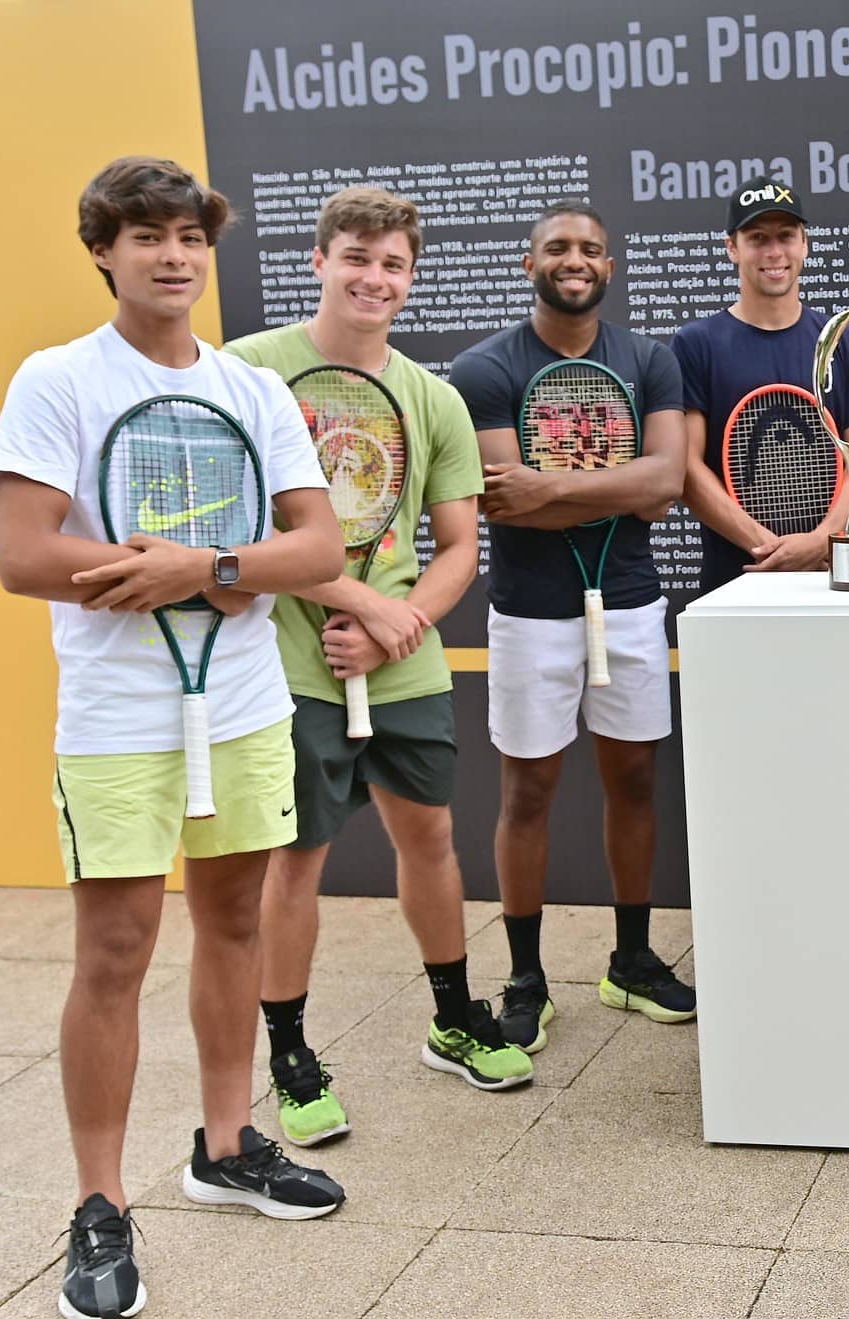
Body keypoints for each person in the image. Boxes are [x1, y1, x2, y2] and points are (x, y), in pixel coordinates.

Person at [0, 156, 347, 1319]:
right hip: (116, 721)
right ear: (103, 249)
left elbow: (318, 550)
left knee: (237, 919)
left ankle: (229, 1144)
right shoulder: (56, 379)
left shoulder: (246, 389)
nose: (173, 255)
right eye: (146, 236)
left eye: (189, 235)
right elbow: (22, 553)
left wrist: (209, 567)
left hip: (240, 707)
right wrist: (159, 576)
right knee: (116, 952)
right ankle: (99, 1204)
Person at [226, 186, 528, 1141]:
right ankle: (291, 1053)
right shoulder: (249, 373)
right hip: (289, 660)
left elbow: (455, 550)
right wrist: (355, 603)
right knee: (298, 859)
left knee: (431, 838)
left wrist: (398, 626)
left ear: (410, 277)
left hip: (403, 661)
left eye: (393, 263)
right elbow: (240, 529)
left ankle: (452, 1017)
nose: (374, 277)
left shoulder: (432, 397)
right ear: (319, 261)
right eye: (357, 256)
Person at [449, 200, 694, 1055]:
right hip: (529, 617)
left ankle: (630, 960)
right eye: (558, 246)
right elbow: (501, 500)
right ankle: (525, 975)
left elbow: (666, 484)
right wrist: (610, 486)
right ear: (531, 264)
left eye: (591, 248)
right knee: (528, 795)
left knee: (634, 785)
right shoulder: (483, 368)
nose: (575, 259)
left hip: (629, 603)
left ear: (610, 265)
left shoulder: (649, 361)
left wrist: (551, 486)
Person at [671, 177, 849, 594]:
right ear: (732, 247)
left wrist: (819, 540)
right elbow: (688, 470)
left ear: (805, 243)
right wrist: (769, 549)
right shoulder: (696, 344)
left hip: (830, 575)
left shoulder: (843, 339)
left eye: (786, 236)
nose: (774, 252)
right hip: (737, 580)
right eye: (757, 238)